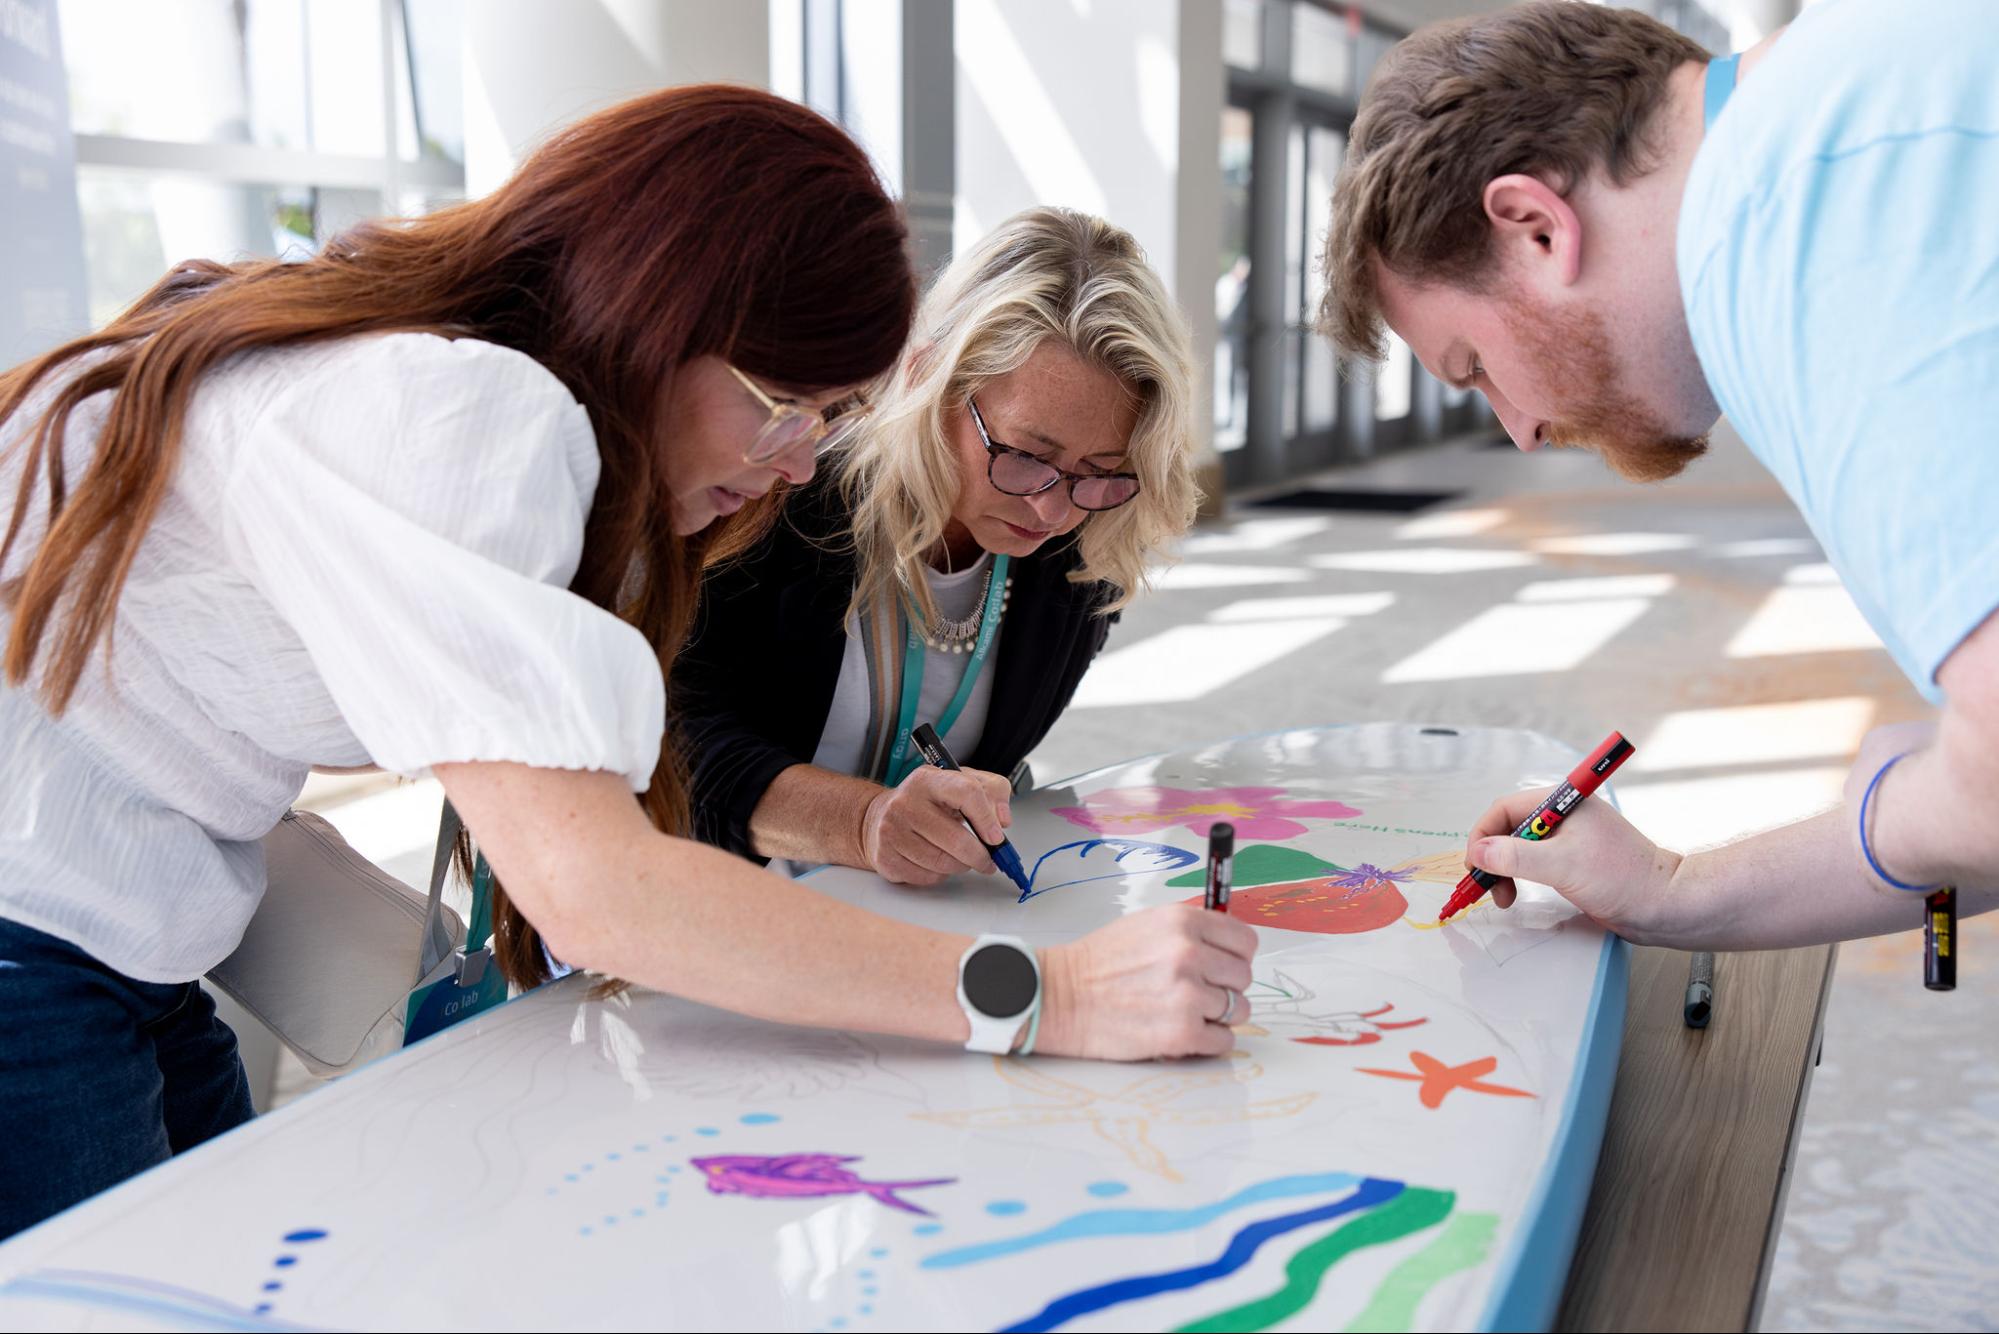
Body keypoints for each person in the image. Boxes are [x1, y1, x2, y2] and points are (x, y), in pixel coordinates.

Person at [0, 87, 1256, 1241]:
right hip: (42, 933)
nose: (804, 457)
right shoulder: (475, 410)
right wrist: (1056, 995)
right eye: (790, 402)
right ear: (666, 319)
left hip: (140, 926)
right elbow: (601, 889)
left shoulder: (431, 367)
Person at [1320, 0, 1998, 947]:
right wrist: (1672, 888)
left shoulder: (1794, 223)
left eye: (1473, 366)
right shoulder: (1855, 94)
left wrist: (1918, 795)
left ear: (1532, 229)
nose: (1518, 431)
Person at [677, 207, 1198, 886]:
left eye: (1101, 470)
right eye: (1023, 454)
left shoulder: (1084, 546)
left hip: (912, 913)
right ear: (928, 379)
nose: (1051, 507)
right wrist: (862, 823)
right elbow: (671, 739)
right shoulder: (778, 493)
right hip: (716, 908)